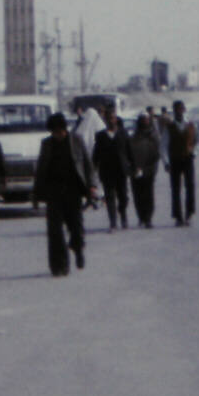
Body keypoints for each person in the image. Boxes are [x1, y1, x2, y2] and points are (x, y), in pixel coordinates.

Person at [32, 112, 96, 275]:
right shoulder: (46, 144)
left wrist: (92, 186)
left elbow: (88, 165)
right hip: (53, 192)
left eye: (60, 131)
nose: (58, 135)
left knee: (76, 227)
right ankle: (59, 266)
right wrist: (36, 194)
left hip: (73, 191)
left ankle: (78, 249)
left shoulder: (77, 140)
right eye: (54, 132)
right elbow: (40, 169)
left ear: (65, 130)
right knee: (54, 231)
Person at [91, 106, 131, 230]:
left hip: (121, 170)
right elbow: (96, 153)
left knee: (123, 196)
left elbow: (129, 151)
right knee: (109, 197)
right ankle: (113, 222)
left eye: (113, 118)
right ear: (105, 120)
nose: (111, 120)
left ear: (116, 119)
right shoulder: (100, 135)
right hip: (107, 171)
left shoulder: (123, 133)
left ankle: (123, 215)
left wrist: (134, 166)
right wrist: (93, 167)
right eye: (108, 118)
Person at [166, 100, 198, 226]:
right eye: (176, 109)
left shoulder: (191, 125)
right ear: (174, 111)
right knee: (175, 188)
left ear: (184, 110)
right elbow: (163, 145)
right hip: (174, 159)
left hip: (188, 158)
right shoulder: (170, 127)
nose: (179, 112)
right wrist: (166, 161)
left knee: (190, 186)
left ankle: (189, 214)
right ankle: (178, 216)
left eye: (181, 109)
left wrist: (195, 152)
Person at [129, 112, 160, 226]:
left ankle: (148, 218)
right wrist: (134, 167)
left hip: (149, 169)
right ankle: (141, 217)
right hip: (135, 170)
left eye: (146, 120)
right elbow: (129, 152)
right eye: (142, 120)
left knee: (148, 195)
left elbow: (156, 154)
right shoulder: (134, 136)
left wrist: (150, 167)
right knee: (138, 195)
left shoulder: (153, 136)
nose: (144, 122)